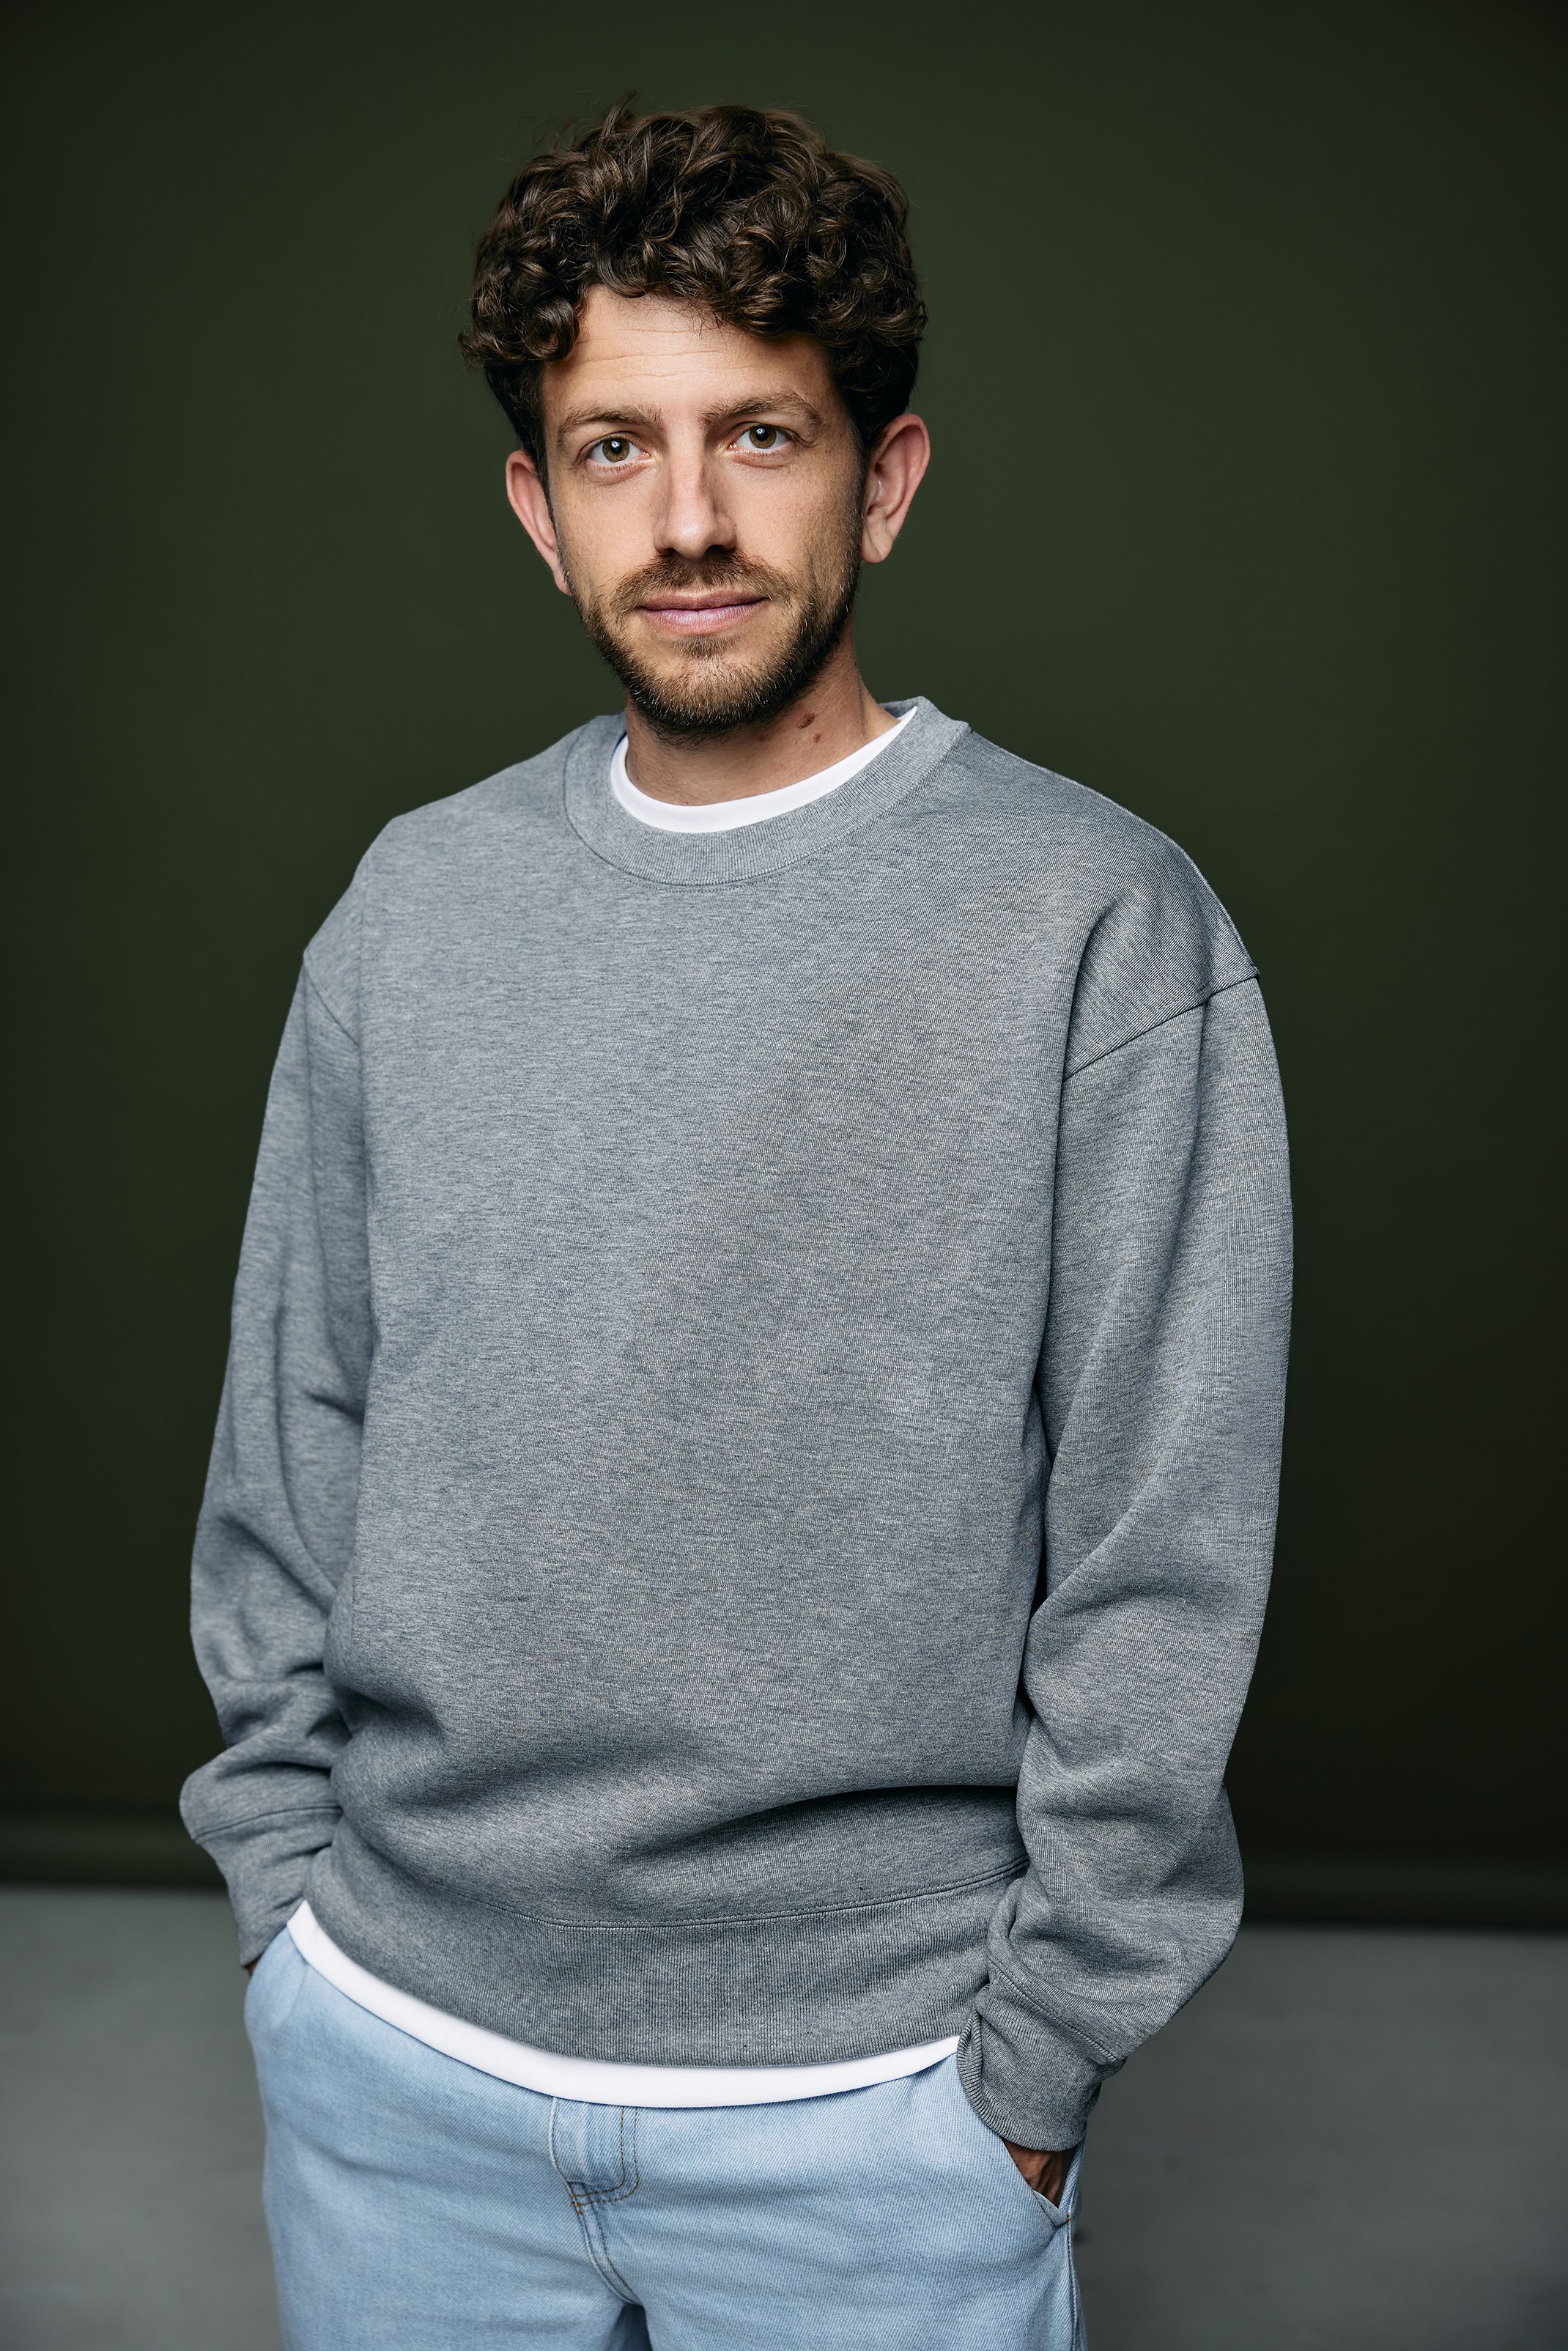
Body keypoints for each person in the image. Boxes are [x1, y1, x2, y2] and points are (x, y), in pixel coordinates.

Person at [182, 100, 1292, 2351]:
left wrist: (1031, 2075)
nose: (686, 521)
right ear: (536, 507)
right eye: (613, 449)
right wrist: (284, 1913)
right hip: (396, 2068)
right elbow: (289, 1449)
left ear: (879, 475)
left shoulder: (1094, 924)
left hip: (872, 2117)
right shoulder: (415, 906)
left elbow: (1161, 1551)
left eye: (756, 435)